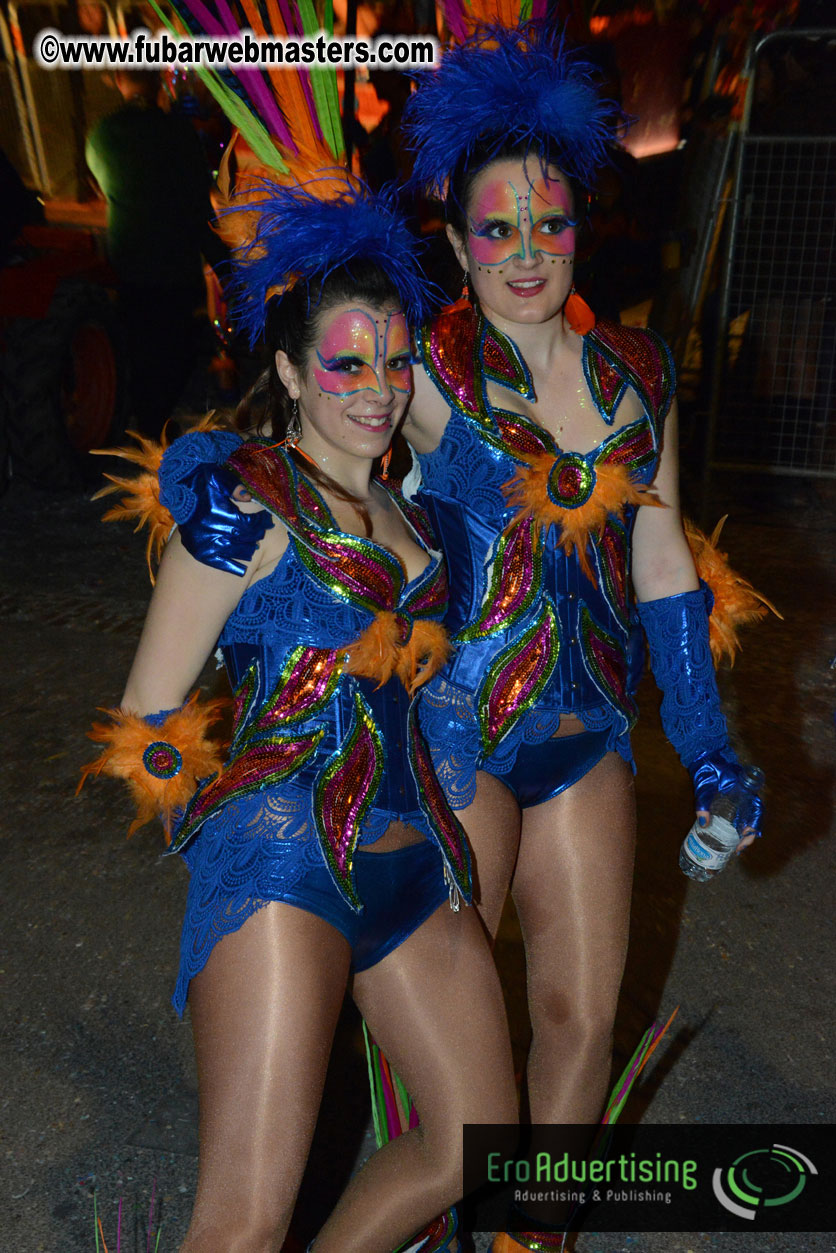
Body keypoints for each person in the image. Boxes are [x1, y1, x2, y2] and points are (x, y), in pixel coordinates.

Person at [82, 174, 516, 1253]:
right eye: (345, 362)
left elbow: (491, 475)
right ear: (285, 368)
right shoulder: (248, 498)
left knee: (470, 1142)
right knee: (241, 1220)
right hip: (287, 865)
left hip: (417, 859)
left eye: (395, 361)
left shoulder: (414, 511)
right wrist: (228, 830)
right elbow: (148, 712)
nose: (374, 388)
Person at [397, 24, 764, 1252]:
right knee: (454, 1051)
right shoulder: (427, 366)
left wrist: (706, 745)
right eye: (492, 230)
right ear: (452, 244)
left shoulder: (640, 371)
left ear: (577, 229)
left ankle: (520, 1234)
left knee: (576, 1017)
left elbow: (662, 565)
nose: (522, 253)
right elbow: (319, 438)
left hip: (585, 727)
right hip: (452, 723)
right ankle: (428, 1214)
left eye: (544, 225)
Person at [85, 69, 223, 438]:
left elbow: (103, 186)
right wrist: (228, 269)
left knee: (139, 348)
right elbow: (200, 210)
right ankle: (156, 427)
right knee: (171, 352)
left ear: (117, 77)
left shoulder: (101, 135)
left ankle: (145, 424)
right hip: (175, 269)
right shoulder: (178, 134)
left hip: (128, 265)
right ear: (161, 79)